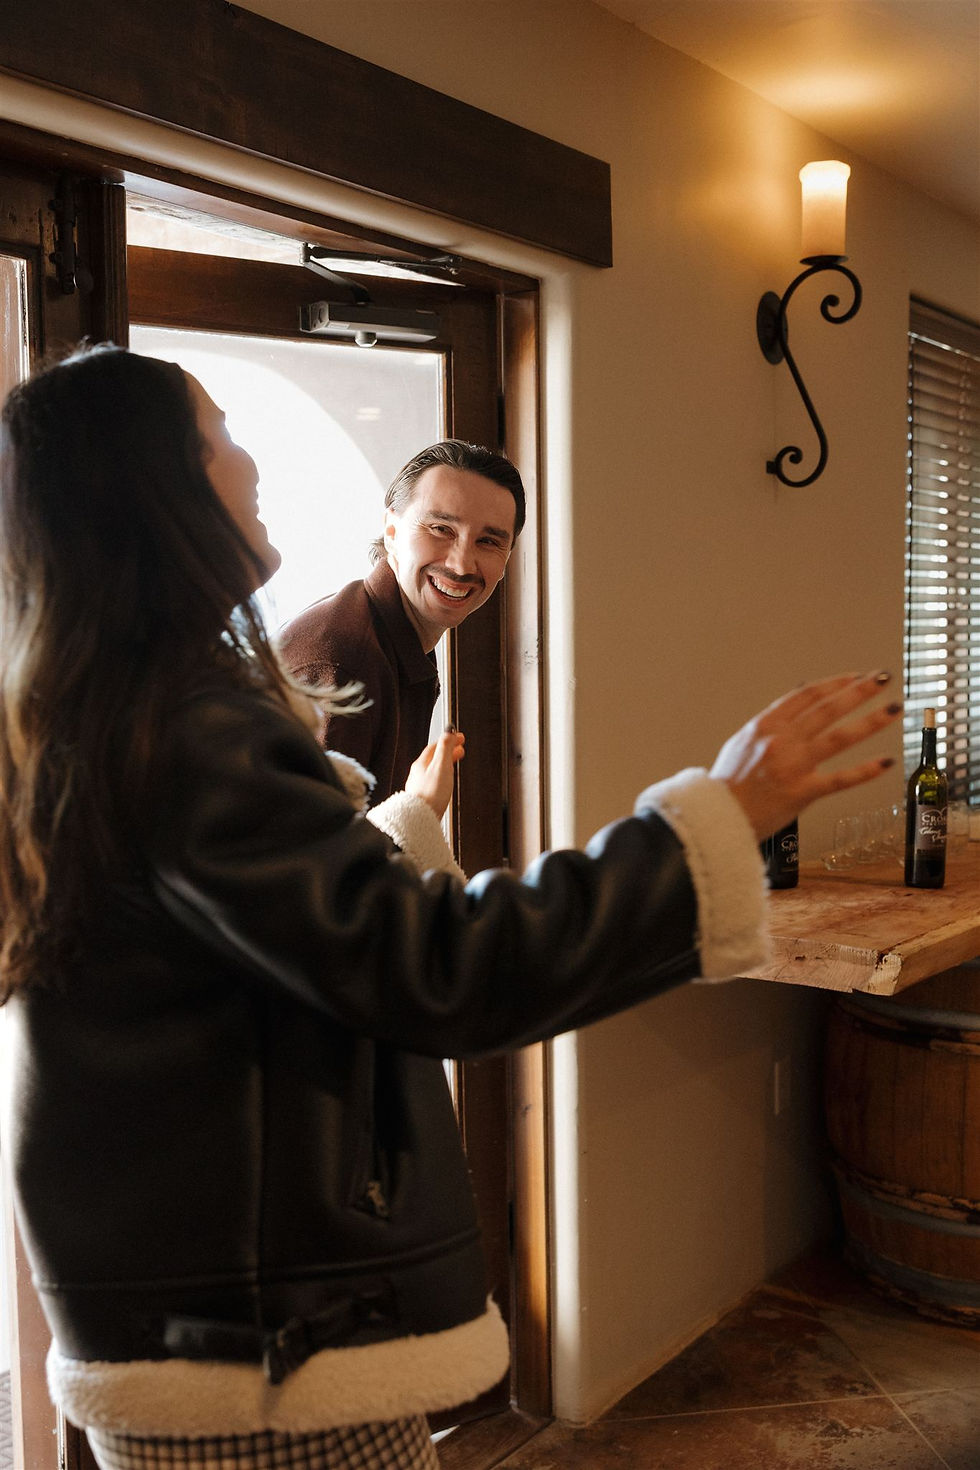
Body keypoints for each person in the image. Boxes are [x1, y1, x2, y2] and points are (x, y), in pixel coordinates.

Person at [0, 345, 900, 1470]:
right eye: (218, 436)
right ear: (155, 488)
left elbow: (302, 924)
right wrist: (718, 815)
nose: (251, 462)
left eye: (492, 539)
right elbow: (430, 966)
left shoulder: (131, 711)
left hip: (229, 1317)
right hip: (258, 1344)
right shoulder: (198, 722)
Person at [279, 440, 526, 802]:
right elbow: (309, 854)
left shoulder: (391, 638)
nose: (461, 565)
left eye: (488, 541)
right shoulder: (345, 663)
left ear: (506, 560)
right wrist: (420, 812)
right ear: (392, 532)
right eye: (442, 529)